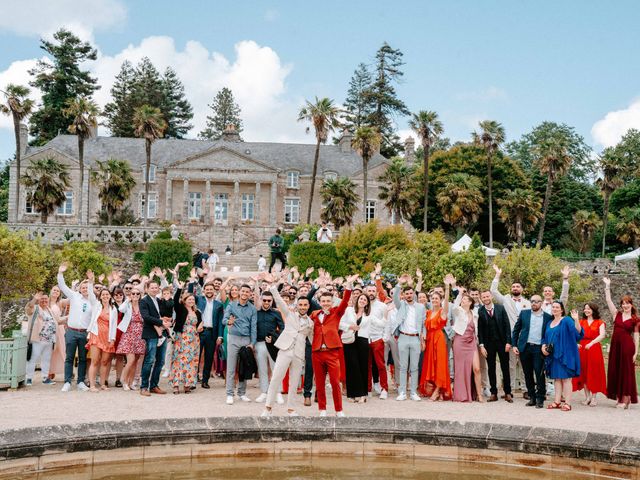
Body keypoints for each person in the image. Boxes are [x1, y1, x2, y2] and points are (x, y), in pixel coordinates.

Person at [261, 273, 314, 416]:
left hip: (298, 353)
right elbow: (279, 301)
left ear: (308, 306)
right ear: (297, 305)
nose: (303, 307)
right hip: (285, 350)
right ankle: (268, 408)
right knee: (276, 377)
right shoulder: (290, 314)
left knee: (294, 382)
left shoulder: (311, 323)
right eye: (300, 305)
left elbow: (313, 340)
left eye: (305, 305)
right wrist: (272, 286)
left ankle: (291, 409)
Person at [310, 274, 358, 417]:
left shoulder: (336, 313)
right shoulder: (314, 314)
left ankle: (339, 409)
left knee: (335, 382)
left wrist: (348, 286)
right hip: (317, 352)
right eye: (323, 301)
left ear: (332, 302)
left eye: (328, 301)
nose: (325, 303)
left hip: (332, 352)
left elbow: (344, 302)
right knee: (319, 383)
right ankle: (322, 409)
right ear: (319, 301)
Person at [490, 264, 531, 394]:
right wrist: (497, 275)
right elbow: (493, 291)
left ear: (522, 289)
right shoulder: (506, 300)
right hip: (510, 338)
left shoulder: (529, 303)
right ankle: (511, 389)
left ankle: (526, 389)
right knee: (511, 365)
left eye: (517, 286)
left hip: (525, 338)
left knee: (525, 365)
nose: (515, 288)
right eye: (513, 286)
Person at [390, 274, 428, 402]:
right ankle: (402, 392)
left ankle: (413, 392)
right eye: (407, 294)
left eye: (411, 293)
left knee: (414, 367)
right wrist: (399, 284)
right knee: (402, 367)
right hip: (403, 337)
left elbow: (423, 324)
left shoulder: (421, 307)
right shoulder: (401, 305)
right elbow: (395, 296)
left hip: (416, 338)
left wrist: (423, 340)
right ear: (404, 295)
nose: (409, 295)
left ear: (414, 294)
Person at [603, 277, 639, 409]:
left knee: (626, 372)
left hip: (627, 347)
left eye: (627, 303)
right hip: (615, 347)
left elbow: (636, 337)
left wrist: (636, 352)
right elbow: (608, 300)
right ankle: (619, 397)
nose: (625, 305)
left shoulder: (635, 319)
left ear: (631, 304)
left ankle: (625, 398)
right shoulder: (616, 315)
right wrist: (607, 286)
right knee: (616, 370)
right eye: (623, 303)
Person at [512, 294, 552, 408]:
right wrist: (514, 345)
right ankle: (532, 397)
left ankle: (540, 398)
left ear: (541, 303)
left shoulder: (548, 317)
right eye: (532, 301)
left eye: (537, 301)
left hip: (539, 348)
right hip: (525, 348)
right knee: (527, 374)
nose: (534, 303)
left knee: (539, 374)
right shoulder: (524, 314)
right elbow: (516, 330)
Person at [542, 302, 584, 411]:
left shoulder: (566, 320)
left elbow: (578, 333)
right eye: (553, 307)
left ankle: (568, 403)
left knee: (566, 379)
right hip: (553, 355)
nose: (555, 309)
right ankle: (557, 401)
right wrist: (543, 347)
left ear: (561, 310)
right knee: (557, 379)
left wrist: (576, 320)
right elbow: (545, 338)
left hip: (565, 354)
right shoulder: (549, 322)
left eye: (557, 307)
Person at [57, 263, 92, 392]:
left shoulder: (92, 301)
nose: (84, 289)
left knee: (83, 358)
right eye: (83, 287)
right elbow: (62, 286)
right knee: (69, 357)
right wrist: (60, 273)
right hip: (71, 331)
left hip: (84, 333)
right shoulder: (74, 296)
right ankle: (67, 382)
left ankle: (80, 382)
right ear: (80, 288)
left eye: (87, 287)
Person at [223, 284, 258, 404]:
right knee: (231, 367)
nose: (244, 293)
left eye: (247, 292)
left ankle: (242, 393)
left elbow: (254, 327)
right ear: (239, 292)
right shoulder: (231, 305)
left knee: (244, 367)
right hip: (233, 338)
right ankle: (229, 394)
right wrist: (229, 321)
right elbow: (224, 319)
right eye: (243, 291)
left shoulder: (252, 308)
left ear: (250, 294)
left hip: (246, 339)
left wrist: (252, 343)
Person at [477, 290, 513, 403]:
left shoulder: (500, 308)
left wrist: (508, 342)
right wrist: (482, 345)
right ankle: (494, 393)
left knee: (505, 367)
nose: (486, 298)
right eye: (483, 297)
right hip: (489, 344)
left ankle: (508, 392)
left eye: (487, 296)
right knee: (491, 368)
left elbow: (507, 325)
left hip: (502, 342)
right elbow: (480, 330)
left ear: (491, 296)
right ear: (481, 299)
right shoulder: (480, 310)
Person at [139, 280, 173, 396]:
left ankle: (154, 385)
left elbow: (165, 311)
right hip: (151, 334)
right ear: (147, 289)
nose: (154, 289)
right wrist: (161, 322)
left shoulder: (158, 300)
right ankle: (144, 387)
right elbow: (146, 317)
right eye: (152, 287)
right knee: (149, 360)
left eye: (156, 287)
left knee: (161, 361)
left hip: (162, 333)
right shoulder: (144, 301)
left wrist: (166, 320)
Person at [418, 285, 452, 401]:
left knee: (440, 365)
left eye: (436, 298)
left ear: (440, 300)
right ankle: (439, 391)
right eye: (432, 298)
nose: (434, 300)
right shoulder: (427, 312)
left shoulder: (443, 312)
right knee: (431, 365)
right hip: (429, 340)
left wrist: (447, 288)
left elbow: (446, 301)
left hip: (439, 339)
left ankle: (438, 390)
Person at [451, 287, 483, 402]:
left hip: (472, 342)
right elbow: (454, 307)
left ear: (470, 302)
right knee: (460, 368)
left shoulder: (475, 313)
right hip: (459, 341)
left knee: (477, 368)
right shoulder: (458, 311)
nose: (463, 301)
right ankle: (462, 395)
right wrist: (459, 294)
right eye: (462, 299)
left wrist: (481, 344)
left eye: (465, 299)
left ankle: (479, 394)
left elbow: (477, 329)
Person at [192, 277, 225, 389]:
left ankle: (205, 381)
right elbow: (189, 294)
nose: (209, 291)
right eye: (207, 289)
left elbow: (221, 322)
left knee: (209, 357)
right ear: (204, 291)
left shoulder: (219, 304)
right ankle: (193, 380)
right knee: (196, 356)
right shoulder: (199, 300)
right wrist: (192, 280)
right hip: (200, 332)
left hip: (212, 333)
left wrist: (220, 335)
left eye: (211, 289)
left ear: (214, 291)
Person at [572, 303, 607, 406]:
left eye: (588, 308)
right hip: (583, 348)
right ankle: (587, 397)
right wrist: (576, 319)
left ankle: (594, 397)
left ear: (593, 310)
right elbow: (577, 332)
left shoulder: (599, 322)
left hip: (594, 348)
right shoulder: (582, 321)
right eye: (585, 308)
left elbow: (602, 335)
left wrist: (591, 343)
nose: (586, 310)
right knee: (584, 372)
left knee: (594, 372)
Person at [170, 285, 203, 394]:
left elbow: (200, 323)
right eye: (189, 299)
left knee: (191, 361)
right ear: (184, 301)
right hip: (182, 337)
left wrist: (199, 327)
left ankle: (187, 384)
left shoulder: (197, 312)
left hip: (194, 339)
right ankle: (176, 384)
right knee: (179, 361)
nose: (191, 301)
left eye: (193, 299)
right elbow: (175, 301)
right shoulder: (181, 309)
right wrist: (179, 289)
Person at [25, 293, 62, 386]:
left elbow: (57, 320)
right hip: (38, 339)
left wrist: (69, 318)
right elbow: (28, 308)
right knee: (33, 358)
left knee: (46, 359)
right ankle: (29, 378)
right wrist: (34, 299)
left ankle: (45, 378)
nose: (44, 301)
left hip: (49, 340)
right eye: (42, 299)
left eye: (46, 299)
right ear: (38, 300)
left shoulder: (49, 310)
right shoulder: (35, 308)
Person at [254, 290, 285, 403]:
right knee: (262, 369)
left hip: (273, 345)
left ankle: (278, 392)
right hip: (260, 343)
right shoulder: (256, 313)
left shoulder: (276, 313)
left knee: (276, 369)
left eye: (269, 300)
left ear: (272, 301)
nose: (266, 302)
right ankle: (264, 392)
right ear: (261, 300)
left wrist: (273, 336)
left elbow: (282, 328)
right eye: (264, 300)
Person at [86, 284, 118, 392]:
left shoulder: (113, 309)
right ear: (100, 297)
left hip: (107, 338)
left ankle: (103, 384)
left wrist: (113, 339)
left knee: (105, 362)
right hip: (96, 336)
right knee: (95, 361)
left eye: (107, 294)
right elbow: (90, 294)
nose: (105, 296)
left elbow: (114, 325)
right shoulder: (96, 305)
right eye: (103, 294)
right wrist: (91, 282)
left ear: (110, 296)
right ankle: (92, 385)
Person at [340, 293, 372, 403]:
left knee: (362, 367)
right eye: (361, 298)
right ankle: (352, 394)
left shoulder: (369, 315)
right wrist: (350, 326)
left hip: (363, 341)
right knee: (351, 366)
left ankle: (363, 394)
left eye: (365, 300)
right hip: (350, 340)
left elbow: (380, 324)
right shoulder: (349, 310)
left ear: (367, 303)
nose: (362, 301)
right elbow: (340, 323)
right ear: (357, 299)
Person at [115, 286, 146, 390]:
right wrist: (128, 299)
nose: (135, 295)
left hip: (140, 336)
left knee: (136, 361)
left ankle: (131, 382)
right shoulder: (127, 305)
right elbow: (120, 309)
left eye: (137, 294)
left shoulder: (143, 305)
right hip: (129, 334)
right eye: (133, 293)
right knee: (130, 360)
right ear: (130, 295)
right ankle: (123, 381)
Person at [46, 285, 68, 381]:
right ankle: (48, 372)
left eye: (58, 291)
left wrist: (74, 287)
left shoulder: (60, 303)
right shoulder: (45, 302)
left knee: (62, 350)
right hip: (48, 330)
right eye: (54, 290)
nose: (55, 292)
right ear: (50, 291)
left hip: (59, 329)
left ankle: (68, 371)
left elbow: (71, 299)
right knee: (49, 351)